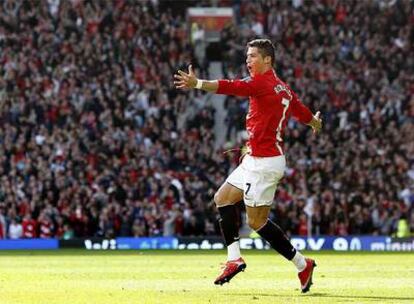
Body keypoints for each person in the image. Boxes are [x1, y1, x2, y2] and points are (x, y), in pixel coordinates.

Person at [174, 38, 322, 293]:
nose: (248, 60)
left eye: (253, 56)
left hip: (265, 163)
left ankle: (302, 264)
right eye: (247, 56)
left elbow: (230, 86)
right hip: (255, 158)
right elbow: (302, 113)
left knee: (256, 222)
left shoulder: (261, 83)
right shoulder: (284, 89)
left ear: (267, 60)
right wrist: (315, 124)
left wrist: (197, 83)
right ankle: (234, 259)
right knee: (222, 198)